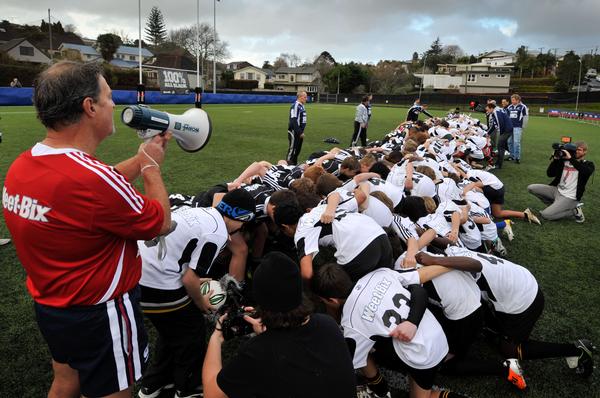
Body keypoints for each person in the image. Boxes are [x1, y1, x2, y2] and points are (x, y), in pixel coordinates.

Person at [2, 61, 172, 398]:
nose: (113, 105)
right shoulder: (92, 179)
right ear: (89, 106)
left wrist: (139, 160)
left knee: (66, 382)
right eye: (108, 98)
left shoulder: (22, 166)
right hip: (100, 312)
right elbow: (160, 222)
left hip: (53, 306)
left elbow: (92, 197)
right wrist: (151, 168)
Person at [138, 189, 256, 398]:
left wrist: (193, 282)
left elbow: (182, 259)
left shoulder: (201, 212)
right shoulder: (218, 232)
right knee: (192, 332)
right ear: (242, 218)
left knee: (173, 330)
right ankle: (188, 388)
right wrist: (202, 302)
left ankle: (155, 383)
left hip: (141, 274)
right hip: (157, 284)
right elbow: (189, 279)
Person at [202, 252, 357, 398]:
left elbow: (211, 393)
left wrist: (217, 337)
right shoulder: (327, 324)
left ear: (260, 302)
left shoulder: (258, 352)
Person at [527, 141, 594, 222]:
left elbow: (586, 171)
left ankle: (574, 211)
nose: (576, 151)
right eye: (575, 149)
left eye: (579, 150)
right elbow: (550, 174)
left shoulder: (588, 164)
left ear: (585, 152)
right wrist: (555, 160)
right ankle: (557, 206)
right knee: (531, 188)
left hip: (570, 197)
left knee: (546, 215)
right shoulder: (563, 161)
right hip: (557, 191)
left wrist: (571, 159)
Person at [485, 103, 513, 169]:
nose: (487, 111)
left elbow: (501, 123)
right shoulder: (496, 111)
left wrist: (501, 133)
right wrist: (488, 133)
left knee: (500, 146)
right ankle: (498, 163)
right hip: (507, 130)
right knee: (501, 146)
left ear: (491, 108)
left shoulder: (496, 112)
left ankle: (499, 164)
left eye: (488, 109)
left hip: (506, 130)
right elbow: (494, 125)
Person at [286, 91, 307, 165]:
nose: (306, 99)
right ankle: (288, 165)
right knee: (292, 149)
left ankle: (294, 164)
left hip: (299, 132)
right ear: (300, 97)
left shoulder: (301, 106)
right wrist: (299, 132)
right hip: (294, 132)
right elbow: (293, 120)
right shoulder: (295, 106)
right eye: (305, 97)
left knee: (297, 149)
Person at [506, 94, 528, 164]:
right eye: (511, 100)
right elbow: (506, 117)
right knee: (509, 142)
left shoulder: (523, 107)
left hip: (517, 127)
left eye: (513, 100)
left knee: (516, 142)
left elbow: (525, 116)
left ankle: (517, 157)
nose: (512, 101)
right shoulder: (509, 107)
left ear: (518, 100)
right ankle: (511, 156)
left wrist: (523, 126)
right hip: (509, 127)